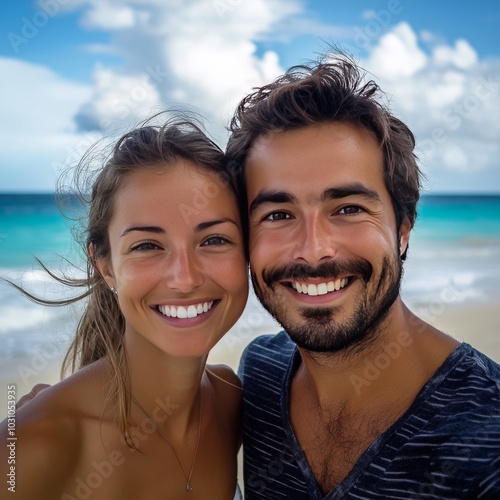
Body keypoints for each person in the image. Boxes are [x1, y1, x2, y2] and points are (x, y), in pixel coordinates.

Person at [227, 54, 500, 498]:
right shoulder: (259, 374)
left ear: (403, 228)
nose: (314, 250)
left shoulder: (487, 438)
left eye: (349, 208)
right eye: (278, 214)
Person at [0, 117, 248, 499]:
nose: (184, 278)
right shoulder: (31, 445)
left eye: (214, 239)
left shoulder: (230, 401)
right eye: (147, 246)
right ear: (106, 268)